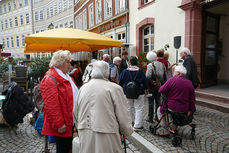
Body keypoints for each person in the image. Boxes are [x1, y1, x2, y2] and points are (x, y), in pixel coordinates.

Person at [73, 61, 133, 153]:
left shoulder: (82, 88)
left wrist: (80, 128)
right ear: (107, 73)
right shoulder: (114, 88)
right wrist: (126, 131)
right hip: (107, 134)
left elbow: (75, 113)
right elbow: (122, 114)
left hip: (85, 133)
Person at [40, 50, 78, 153]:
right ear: (59, 62)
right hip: (62, 124)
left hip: (70, 120)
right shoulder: (50, 78)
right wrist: (59, 124)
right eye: (67, 62)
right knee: (63, 149)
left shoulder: (66, 76)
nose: (70, 64)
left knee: (68, 147)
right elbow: (51, 105)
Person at [157, 65, 195, 135]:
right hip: (184, 108)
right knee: (175, 114)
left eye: (174, 72)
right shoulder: (189, 83)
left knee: (160, 110)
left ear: (178, 73)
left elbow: (161, 90)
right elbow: (192, 99)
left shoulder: (172, 80)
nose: (173, 73)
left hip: (172, 106)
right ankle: (173, 126)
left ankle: (165, 129)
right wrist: (190, 110)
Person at [119, 56, 148, 131]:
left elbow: (120, 82)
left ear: (129, 62)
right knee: (139, 108)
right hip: (139, 91)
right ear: (137, 62)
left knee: (129, 107)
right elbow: (145, 82)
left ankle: (130, 122)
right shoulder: (141, 71)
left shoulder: (125, 71)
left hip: (127, 91)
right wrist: (146, 89)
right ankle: (138, 125)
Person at [146, 51, 167, 123]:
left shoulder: (150, 65)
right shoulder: (162, 64)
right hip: (160, 86)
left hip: (151, 87)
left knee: (150, 102)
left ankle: (150, 118)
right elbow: (165, 77)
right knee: (158, 102)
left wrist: (146, 87)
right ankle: (157, 117)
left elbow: (148, 76)